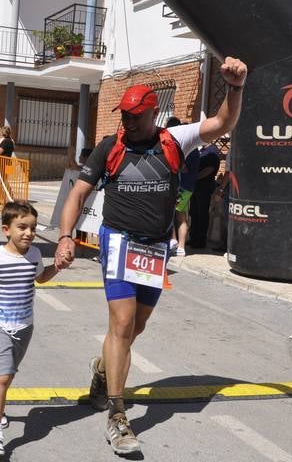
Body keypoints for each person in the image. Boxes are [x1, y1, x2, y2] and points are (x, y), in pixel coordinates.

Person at [54, 57, 247, 456]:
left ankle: (102, 368)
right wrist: (65, 236)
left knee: (134, 329)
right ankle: (117, 415)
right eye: (123, 115)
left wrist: (235, 89)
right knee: (122, 325)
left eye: (135, 116)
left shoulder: (174, 140)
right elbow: (77, 194)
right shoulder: (110, 147)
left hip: (153, 248)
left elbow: (222, 125)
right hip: (118, 242)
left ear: (151, 113)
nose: (128, 122)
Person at [0, 200, 60, 456]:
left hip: (24, 326)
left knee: (9, 374)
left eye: (32, 227)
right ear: (6, 229)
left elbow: (39, 278)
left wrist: (57, 267)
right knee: (3, 376)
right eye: (22, 227)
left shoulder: (34, 255)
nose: (28, 233)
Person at [166, 117, 200, 257]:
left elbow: (182, 167)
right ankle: (177, 244)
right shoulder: (193, 148)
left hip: (182, 186)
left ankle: (177, 244)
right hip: (186, 186)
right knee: (179, 215)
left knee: (176, 214)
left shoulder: (186, 147)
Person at [190, 143, 221, 248]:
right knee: (194, 212)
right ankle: (193, 237)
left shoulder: (212, 151)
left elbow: (210, 169)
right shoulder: (201, 151)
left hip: (204, 186)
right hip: (195, 186)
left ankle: (201, 239)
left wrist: (196, 177)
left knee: (202, 213)